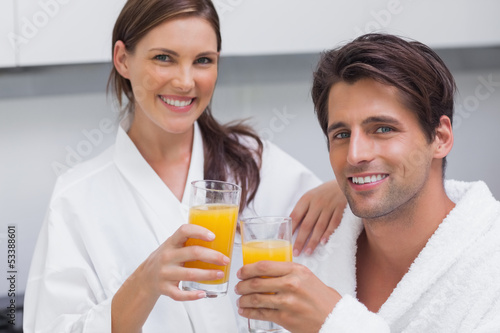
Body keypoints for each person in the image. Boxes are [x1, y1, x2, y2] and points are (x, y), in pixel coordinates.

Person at [22, 1, 348, 332]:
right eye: (164, 58)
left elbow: (344, 277)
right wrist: (144, 283)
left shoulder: (258, 165)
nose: (185, 81)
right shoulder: (76, 197)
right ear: (122, 59)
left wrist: (347, 191)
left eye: (203, 61)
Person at [235, 33, 500, 332]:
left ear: (440, 138)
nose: (355, 154)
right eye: (342, 134)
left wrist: (334, 324)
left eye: (383, 129)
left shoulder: (490, 263)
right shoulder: (309, 251)